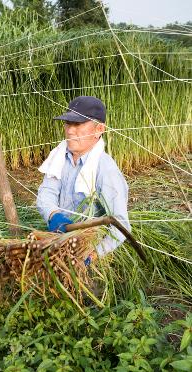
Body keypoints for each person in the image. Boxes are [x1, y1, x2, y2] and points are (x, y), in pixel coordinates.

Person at [36, 96, 131, 265]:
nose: (70, 131)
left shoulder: (105, 169)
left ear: (99, 129)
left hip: (86, 247)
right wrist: (53, 215)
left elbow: (121, 226)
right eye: (68, 123)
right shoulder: (59, 157)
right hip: (58, 239)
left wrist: (94, 255)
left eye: (78, 124)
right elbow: (46, 192)